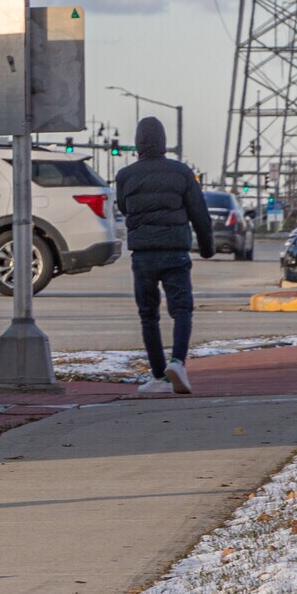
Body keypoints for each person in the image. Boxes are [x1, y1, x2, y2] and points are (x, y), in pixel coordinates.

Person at [114, 115, 214, 394]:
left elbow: (125, 208)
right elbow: (200, 214)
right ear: (164, 142)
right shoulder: (181, 172)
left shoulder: (124, 176)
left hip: (143, 256)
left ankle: (159, 376)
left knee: (148, 315)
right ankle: (178, 362)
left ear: (137, 143)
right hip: (175, 253)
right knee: (181, 309)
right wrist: (207, 248)